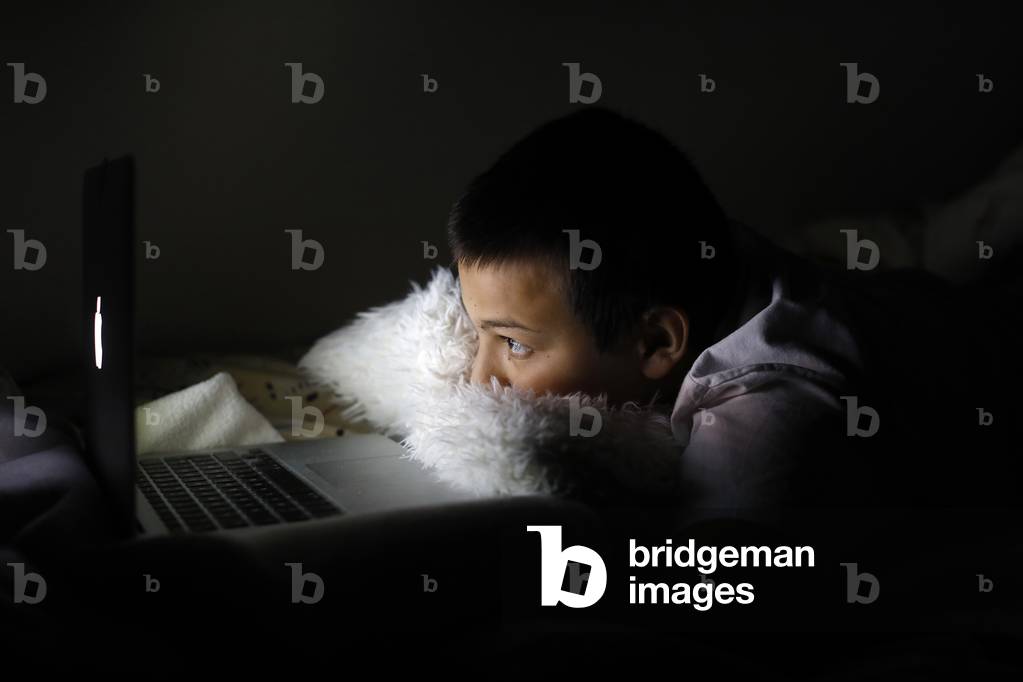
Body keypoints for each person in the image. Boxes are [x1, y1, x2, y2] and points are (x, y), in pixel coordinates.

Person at [447, 106, 1021, 512]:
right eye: (483, 334)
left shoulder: (771, 405)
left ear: (656, 344)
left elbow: (713, 593)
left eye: (515, 344)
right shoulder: (694, 254)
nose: (479, 380)